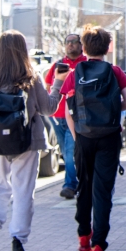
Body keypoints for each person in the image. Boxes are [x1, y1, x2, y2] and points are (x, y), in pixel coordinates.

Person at [0, 30, 68, 251]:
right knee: (23, 193)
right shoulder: (30, 77)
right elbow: (48, 108)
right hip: (27, 143)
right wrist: (58, 83)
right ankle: (18, 243)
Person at [60, 26, 126, 251]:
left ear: (84, 48)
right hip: (109, 137)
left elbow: (68, 111)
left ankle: (84, 235)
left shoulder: (75, 73)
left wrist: (77, 137)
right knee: (102, 191)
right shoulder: (115, 71)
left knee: (84, 186)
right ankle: (98, 245)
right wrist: (111, 112)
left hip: (83, 137)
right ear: (107, 47)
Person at [44, 32, 87, 199]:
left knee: (70, 153)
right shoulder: (58, 65)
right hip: (57, 116)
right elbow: (49, 86)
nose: (70, 44)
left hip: (75, 115)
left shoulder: (86, 63)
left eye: (74, 41)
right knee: (65, 152)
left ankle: (70, 185)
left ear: (81, 45)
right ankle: (76, 182)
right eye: (67, 42)